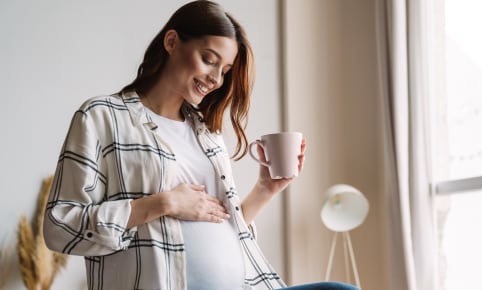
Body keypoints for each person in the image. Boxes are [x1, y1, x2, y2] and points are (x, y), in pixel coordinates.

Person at [43, 1, 359, 290]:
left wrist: (266, 189)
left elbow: (223, 228)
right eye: (209, 60)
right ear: (171, 42)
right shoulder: (102, 117)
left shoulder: (206, 133)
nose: (216, 79)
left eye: (224, 71)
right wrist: (162, 204)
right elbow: (60, 227)